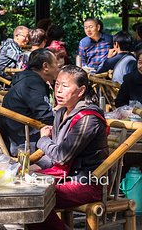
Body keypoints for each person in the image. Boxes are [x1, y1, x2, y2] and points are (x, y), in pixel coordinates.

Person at [28, 66, 109, 230]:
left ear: (81, 91)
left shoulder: (88, 119)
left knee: (31, 199)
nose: (58, 91)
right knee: (21, 189)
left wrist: (43, 139)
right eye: (57, 85)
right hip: (63, 177)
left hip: (87, 183)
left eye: (65, 86)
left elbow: (61, 156)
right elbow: (53, 156)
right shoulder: (61, 112)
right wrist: (34, 167)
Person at [0, 48, 58, 154]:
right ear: (45, 66)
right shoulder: (33, 84)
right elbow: (46, 116)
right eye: (56, 65)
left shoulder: (26, 78)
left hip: (13, 135)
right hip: (23, 142)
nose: (58, 69)